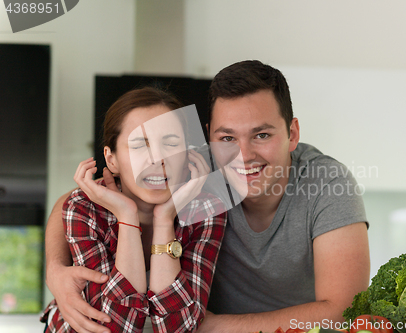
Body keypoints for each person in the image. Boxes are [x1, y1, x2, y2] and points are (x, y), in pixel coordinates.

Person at [43, 61, 370, 333]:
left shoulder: (326, 182)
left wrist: (211, 327)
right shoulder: (195, 164)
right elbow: (75, 202)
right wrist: (55, 270)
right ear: (209, 136)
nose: (243, 155)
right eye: (227, 136)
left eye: (263, 134)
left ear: (292, 133)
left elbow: (344, 310)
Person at [40, 87, 227, 332]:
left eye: (171, 143)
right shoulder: (84, 208)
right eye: (140, 145)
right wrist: (126, 215)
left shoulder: (206, 208)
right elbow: (114, 327)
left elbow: (181, 326)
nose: (158, 158)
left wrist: (163, 219)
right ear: (112, 160)